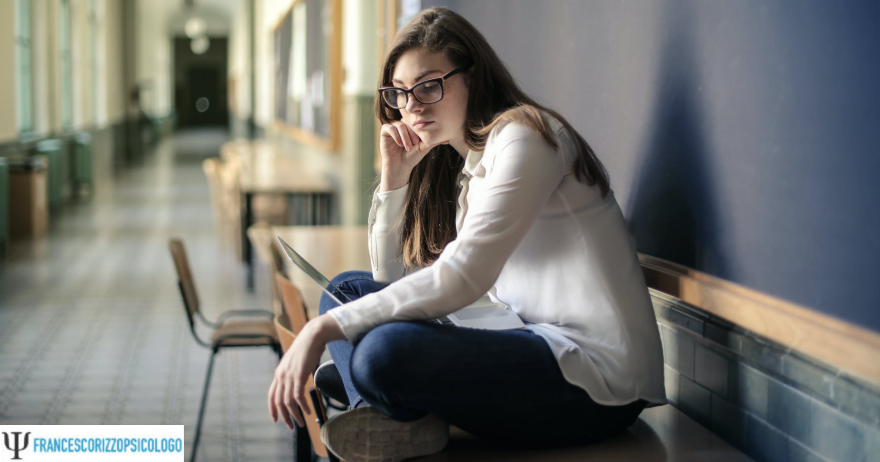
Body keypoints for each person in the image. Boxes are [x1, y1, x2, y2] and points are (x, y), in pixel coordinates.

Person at [268, 7, 666, 461]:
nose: (412, 106)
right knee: (346, 292)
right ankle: (387, 413)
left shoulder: (526, 138)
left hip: (597, 381)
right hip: (530, 341)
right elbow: (388, 278)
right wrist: (394, 180)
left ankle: (383, 396)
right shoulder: (470, 170)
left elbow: (465, 275)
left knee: (380, 351)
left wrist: (323, 330)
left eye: (429, 85)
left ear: (473, 77)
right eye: (399, 93)